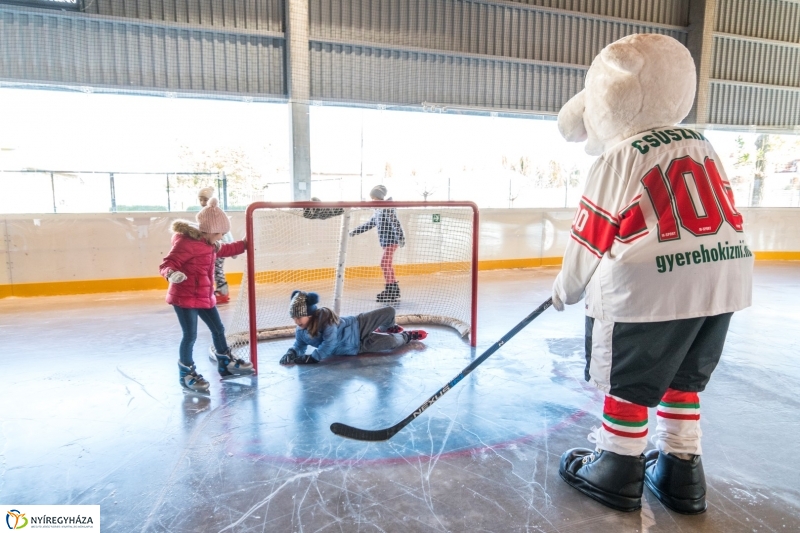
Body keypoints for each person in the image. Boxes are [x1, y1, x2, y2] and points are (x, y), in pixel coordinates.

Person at [552, 34, 753, 514]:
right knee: (682, 376)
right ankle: (682, 469)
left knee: (628, 381)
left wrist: (566, 288)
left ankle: (618, 467)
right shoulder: (702, 142)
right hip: (723, 278)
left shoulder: (621, 153)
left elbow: (591, 234)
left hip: (650, 284)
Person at [160, 197, 254, 393]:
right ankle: (186, 374)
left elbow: (227, 249)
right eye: (220, 233)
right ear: (209, 230)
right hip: (184, 298)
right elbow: (167, 263)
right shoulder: (186, 243)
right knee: (190, 335)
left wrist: (244, 244)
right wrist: (171, 274)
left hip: (204, 296)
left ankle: (225, 363)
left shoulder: (210, 244)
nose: (221, 237)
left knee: (218, 329)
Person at [279, 291, 427, 365]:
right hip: (357, 347)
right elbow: (299, 345)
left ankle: (385, 328)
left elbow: (329, 344)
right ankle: (407, 336)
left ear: (310, 314)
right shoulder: (301, 331)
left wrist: (313, 358)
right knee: (392, 343)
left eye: (299, 317)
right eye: (294, 318)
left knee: (389, 311)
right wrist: (292, 352)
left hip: (358, 324)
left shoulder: (325, 319)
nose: (296, 321)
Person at [349, 185, 405, 303]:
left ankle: (391, 290)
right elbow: (369, 224)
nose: (372, 201)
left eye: (373, 198)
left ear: (379, 198)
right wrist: (354, 231)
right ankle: (393, 290)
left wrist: (400, 237)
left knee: (384, 263)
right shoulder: (377, 211)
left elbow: (395, 222)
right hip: (386, 242)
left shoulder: (387, 208)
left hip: (392, 240)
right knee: (387, 264)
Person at [198, 186, 232, 304]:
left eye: (205, 199)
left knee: (217, 270)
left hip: (219, 246)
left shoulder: (216, 213)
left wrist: (229, 246)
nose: (202, 202)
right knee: (213, 270)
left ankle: (223, 292)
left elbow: (225, 230)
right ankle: (218, 291)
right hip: (212, 247)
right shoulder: (205, 213)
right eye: (200, 199)